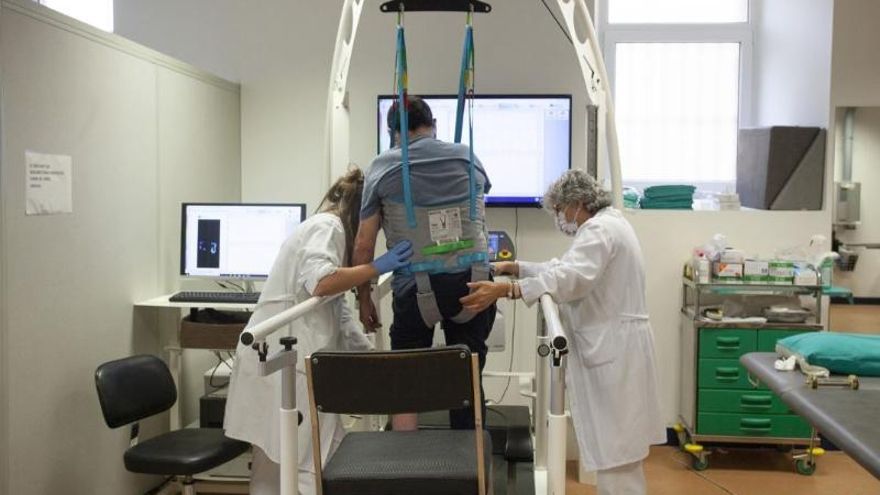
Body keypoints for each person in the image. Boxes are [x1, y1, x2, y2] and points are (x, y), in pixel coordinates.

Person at [460, 170, 665, 495]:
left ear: (578, 202)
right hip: (617, 348)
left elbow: (571, 279)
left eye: (559, 209)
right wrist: (516, 267)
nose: (559, 217)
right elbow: (564, 268)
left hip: (615, 354)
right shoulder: (609, 225)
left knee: (616, 456)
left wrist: (509, 290)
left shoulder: (599, 230)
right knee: (616, 453)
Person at [223, 168, 413, 495]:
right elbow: (321, 283)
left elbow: (335, 309)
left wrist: (373, 359)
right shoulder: (327, 227)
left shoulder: (330, 232)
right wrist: (377, 266)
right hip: (283, 362)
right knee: (306, 461)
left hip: (287, 359)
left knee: (283, 461)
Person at [352, 95, 495, 431]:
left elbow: (363, 244)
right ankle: (472, 460)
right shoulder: (467, 156)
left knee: (406, 382)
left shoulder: (382, 166)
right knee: (467, 378)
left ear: (393, 133)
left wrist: (364, 297)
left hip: (416, 289)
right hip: (474, 283)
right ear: (434, 125)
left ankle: (407, 459)